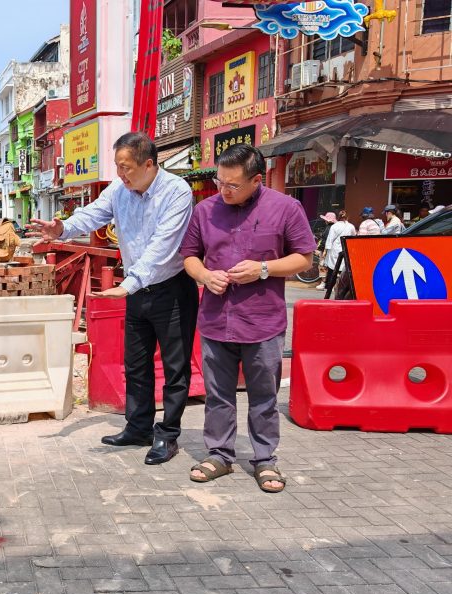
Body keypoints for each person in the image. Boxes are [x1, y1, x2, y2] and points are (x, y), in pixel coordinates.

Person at [27, 132, 198, 466]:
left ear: (149, 164)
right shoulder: (120, 190)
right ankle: (138, 427)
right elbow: (92, 214)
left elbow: (163, 246)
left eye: (127, 168)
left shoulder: (177, 192)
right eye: (118, 167)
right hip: (135, 290)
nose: (122, 175)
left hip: (171, 288)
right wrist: (60, 229)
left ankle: (168, 434)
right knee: (136, 363)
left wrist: (129, 283)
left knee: (175, 369)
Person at [180, 144, 316, 493]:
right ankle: (219, 455)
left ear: (258, 179)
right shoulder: (205, 211)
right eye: (219, 181)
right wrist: (205, 276)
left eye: (233, 185)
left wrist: (264, 269)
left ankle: (265, 460)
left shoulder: (286, 208)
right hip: (215, 320)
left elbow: (304, 258)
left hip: (263, 322)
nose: (223, 190)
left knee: (264, 397)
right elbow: (190, 257)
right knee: (218, 395)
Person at [320, 210, 355, 293]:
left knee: (333, 269)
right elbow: (353, 237)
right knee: (342, 269)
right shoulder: (351, 226)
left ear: (339, 217)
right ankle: (339, 286)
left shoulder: (334, 226)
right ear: (347, 217)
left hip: (334, 250)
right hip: (345, 249)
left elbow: (330, 240)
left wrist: (326, 251)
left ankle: (331, 286)